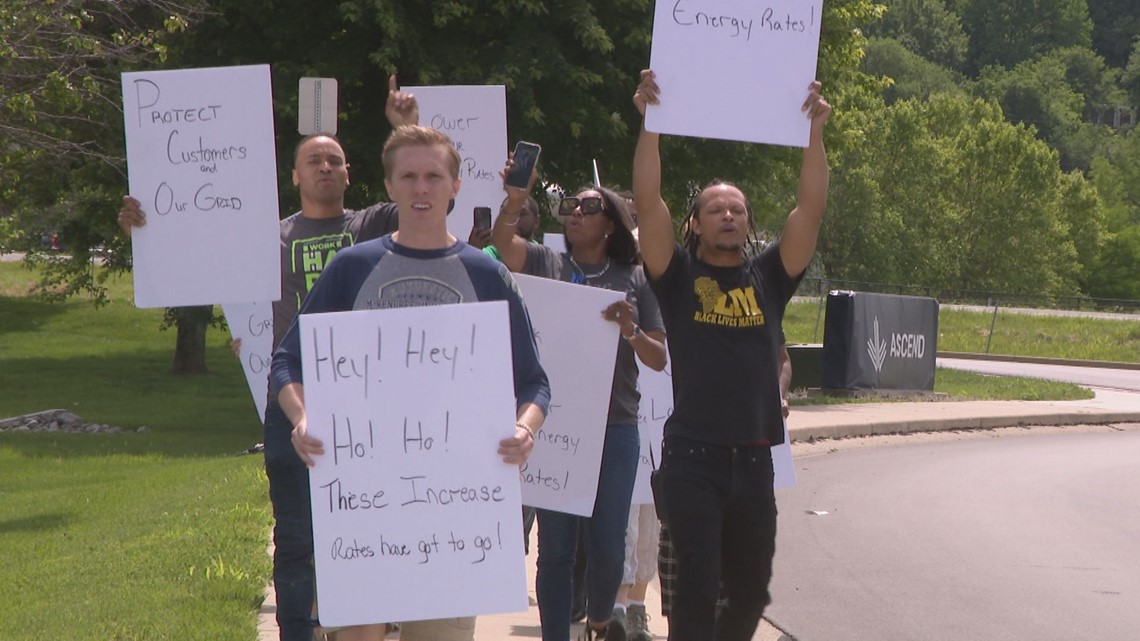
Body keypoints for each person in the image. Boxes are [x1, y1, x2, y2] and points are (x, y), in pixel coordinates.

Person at [118, 75, 419, 641]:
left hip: (369, 402)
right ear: (296, 176)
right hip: (292, 399)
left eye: (335, 159)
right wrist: (143, 226)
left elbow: (420, 192)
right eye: (315, 160)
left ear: (350, 174)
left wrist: (404, 127)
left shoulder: (372, 227)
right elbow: (186, 243)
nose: (326, 167)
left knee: (370, 522)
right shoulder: (263, 237)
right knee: (298, 534)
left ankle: (367, 624)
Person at [273, 124, 551, 641]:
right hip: (362, 509)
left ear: (455, 187)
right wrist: (302, 416)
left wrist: (524, 428)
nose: (421, 188)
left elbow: (534, 382)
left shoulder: (486, 275)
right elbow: (288, 362)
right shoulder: (351, 267)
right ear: (390, 186)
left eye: (433, 176)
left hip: (455, 514)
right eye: (409, 176)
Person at [631, 68, 831, 641]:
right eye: (715, 209)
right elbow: (647, 201)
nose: (727, 215)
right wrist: (651, 126)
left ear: (747, 224)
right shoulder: (675, 274)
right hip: (693, 456)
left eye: (737, 210)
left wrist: (814, 132)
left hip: (755, 458)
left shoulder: (770, 276)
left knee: (748, 594)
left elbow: (809, 211)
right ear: (694, 223)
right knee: (696, 583)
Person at [493, 173, 668, 641]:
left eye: (588, 207)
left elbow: (658, 357)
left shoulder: (635, 278)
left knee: (609, 543)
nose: (575, 212)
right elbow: (502, 244)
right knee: (555, 549)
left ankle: (596, 624)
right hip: (556, 424)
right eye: (571, 205)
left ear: (611, 223)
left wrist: (630, 330)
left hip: (616, 425)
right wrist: (514, 200)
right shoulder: (546, 262)